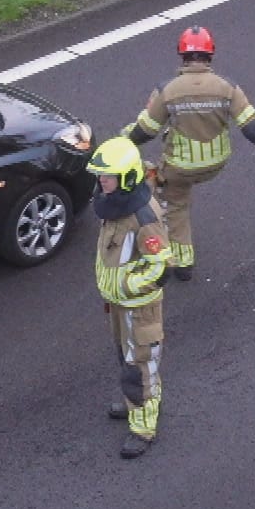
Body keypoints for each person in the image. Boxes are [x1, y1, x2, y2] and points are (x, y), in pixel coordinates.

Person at [122, 26, 255, 282]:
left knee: (175, 204)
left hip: (179, 168)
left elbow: (146, 130)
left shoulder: (167, 90)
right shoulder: (228, 88)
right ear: (210, 55)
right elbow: (253, 128)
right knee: (178, 191)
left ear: (182, 55)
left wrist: (121, 143)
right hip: (216, 164)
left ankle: (181, 263)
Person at [88, 136, 171, 459]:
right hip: (119, 305)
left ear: (125, 178)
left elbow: (161, 266)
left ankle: (144, 426)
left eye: (106, 177)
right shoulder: (115, 203)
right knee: (126, 359)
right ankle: (134, 402)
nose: (101, 182)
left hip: (139, 309)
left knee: (140, 366)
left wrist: (128, 285)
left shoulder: (143, 218)